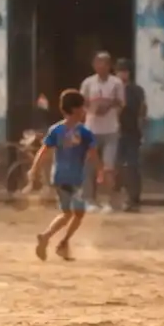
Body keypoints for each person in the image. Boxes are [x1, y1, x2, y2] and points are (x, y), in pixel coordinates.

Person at [29, 89, 98, 262]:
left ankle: (51, 239)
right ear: (75, 109)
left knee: (67, 213)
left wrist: (34, 169)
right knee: (77, 214)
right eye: (82, 107)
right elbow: (93, 154)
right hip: (75, 178)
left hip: (59, 177)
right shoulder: (84, 132)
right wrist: (101, 171)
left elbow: (43, 151)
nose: (84, 111)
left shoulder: (56, 129)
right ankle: (59, 241)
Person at [80, 51, 125, 211]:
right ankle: (89, 200)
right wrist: (93, 109)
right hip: (91, 130)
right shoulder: (88, 83)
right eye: (98, 63)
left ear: (109, 66)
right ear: (94, 65)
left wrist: (109, 107)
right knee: (89, 167)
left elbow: (121, 103)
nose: (101, 66)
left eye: (104, 63)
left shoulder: (116, 83)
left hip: (111, 130)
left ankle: (109, 201)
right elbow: (82, 103)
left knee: (108, 167)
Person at [115, 58, 147, 212]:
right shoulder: (113, 89)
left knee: (133, 165)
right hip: (115, 131)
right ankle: (118, 197)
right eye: (120, 71)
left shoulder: (136, 90)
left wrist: (142, 128)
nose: (123, 74)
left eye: (125, 71)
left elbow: (142, 110)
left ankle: (134, 197)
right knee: (116, 165)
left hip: (132, 131)